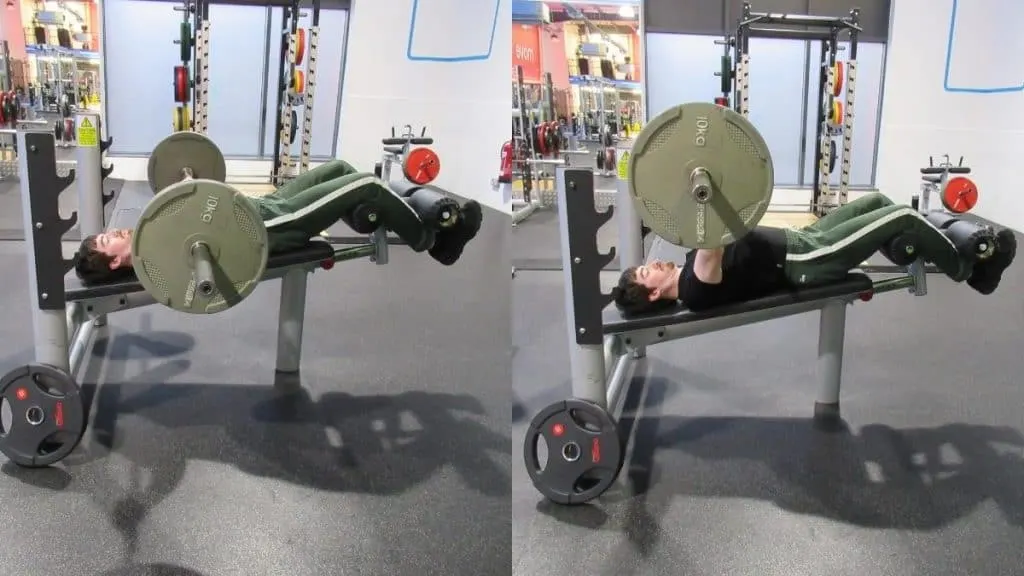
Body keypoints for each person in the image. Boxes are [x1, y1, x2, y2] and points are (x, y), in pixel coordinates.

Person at [73, 159, 483, 285]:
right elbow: (199, 252)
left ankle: (368, 214)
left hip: (261, 208)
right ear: (113, 262)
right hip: (266, 229)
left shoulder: (150, 239)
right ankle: (431, 241)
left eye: (110, 231)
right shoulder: (154, 261)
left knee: (337, 168)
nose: (118, 232)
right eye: (110, 239)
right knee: (367, 186)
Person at [614, 192, 1017, 314]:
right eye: (646, 273)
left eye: (644, 264)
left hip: (802, 241)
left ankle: (908, 248)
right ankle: (970, 271)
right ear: (652, 294)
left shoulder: (685, 272)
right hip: (808, 261)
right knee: (902, 218)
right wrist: (703, 193)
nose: (653, 264)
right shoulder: (693, 289)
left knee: (875, 202)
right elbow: (711, 246)